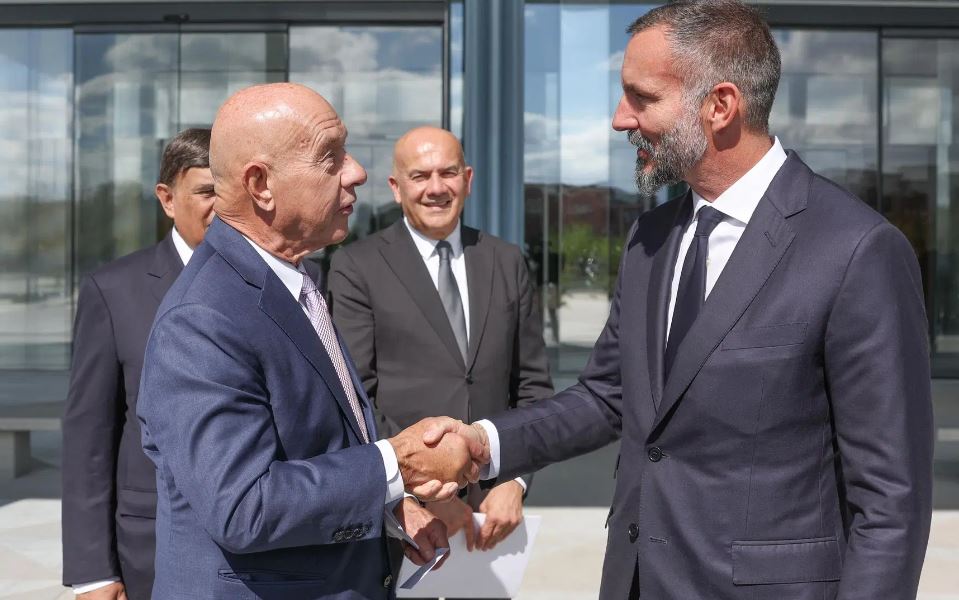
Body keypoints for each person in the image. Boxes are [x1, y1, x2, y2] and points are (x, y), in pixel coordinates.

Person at [426, 2, 934, 599]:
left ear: (720, 106)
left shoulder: (857, 249)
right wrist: (483, 444)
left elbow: (891, 499)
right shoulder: (652, 236)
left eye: (641, 98)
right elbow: (609, 394)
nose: (620, 119)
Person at [136, 83, 485, 600]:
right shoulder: (202, 319)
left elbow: (318, 447)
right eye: (331, 157)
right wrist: (398, 464)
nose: (357, 172)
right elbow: (243, 506)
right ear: (261, 185)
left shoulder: (293, 279)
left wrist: (390, 507)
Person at [328, 126, 553, 571]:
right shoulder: (357, 267)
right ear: (396, 187)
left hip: (493, 515)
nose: (436, 188)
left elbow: (532, 385)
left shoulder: (505, 261)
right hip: (408, 518)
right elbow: (356, 397)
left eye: (448, 173)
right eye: (420, 175)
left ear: (467, 178)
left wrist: (516, 479)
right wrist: (419, 489)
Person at [62, 128, 216, 600]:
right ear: (168, 199)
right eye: (207, 191)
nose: (223, 206)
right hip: (151, 549)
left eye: (230, 191)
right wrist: (92, 570)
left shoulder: (297, 281)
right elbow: (89, 436)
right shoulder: (114, 291)